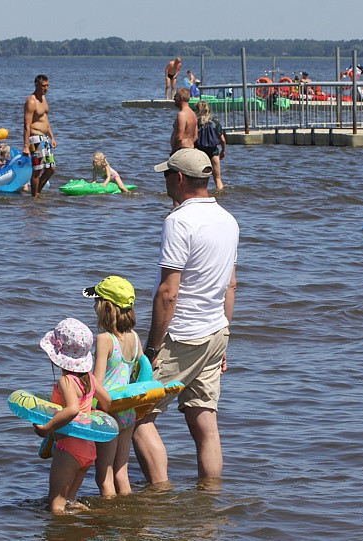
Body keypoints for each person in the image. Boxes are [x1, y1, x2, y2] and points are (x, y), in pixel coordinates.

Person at [133, 148, 239, 486]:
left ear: (178, 178)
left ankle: (159, 496)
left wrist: (151, 349)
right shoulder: (228, 219)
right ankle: (208, 505)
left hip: (180, 337)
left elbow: (169, 292)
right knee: (205, 423)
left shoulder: (178, 221)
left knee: (137, 418)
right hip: (214, 333)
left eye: (166, 174)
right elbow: (231, 285)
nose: (164, 180)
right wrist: (224, 340)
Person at [33, 318, 112, 513]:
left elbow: (72, 409)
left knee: (56, 504)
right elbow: (107, 401)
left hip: (69, 448)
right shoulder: (90, 379)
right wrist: (95, 413)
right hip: (88, 449)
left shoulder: (67, 381)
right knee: (69, 500)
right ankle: (83, 525)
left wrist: (46, 429)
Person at [82, 276, 141, 497]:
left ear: (106, 307)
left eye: (96, 303)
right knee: (121, 474)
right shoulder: (135, 338)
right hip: (127, 412)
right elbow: (139, 375)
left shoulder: (105, 339)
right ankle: (125, 515)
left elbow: (97, 382)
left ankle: (109, 524)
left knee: (103, 476)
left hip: (108, 412)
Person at [23, 75, 56, 197]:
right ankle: (34, 197)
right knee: (37, 170)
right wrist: (26, 146)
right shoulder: (31, 101)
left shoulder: (43, 99)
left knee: (51, 169)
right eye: (43, 86)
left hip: (45, 138)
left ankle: (36, 193)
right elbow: (26, 125)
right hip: (35, 138)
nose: (46, 88)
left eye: (47, 86)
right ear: (36, 85)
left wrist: (52, 137)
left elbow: (45, 120)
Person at [195, 101, 226, 191]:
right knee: (217, 178)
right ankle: (220, 196)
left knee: (198, 180)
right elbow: (223, 140)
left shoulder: (196, 123)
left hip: (199, 153)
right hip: (213, 152)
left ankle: (200, 196)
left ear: (197, 110)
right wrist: (223, 151)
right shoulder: (215, 123)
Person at [170, 87, 197, 155]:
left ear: (181, 98)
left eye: (176, 96)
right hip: (190, 149)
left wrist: (173, 151)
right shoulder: (193, 114)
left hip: (181, 150)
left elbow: (179, 137)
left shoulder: (182, 115)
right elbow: (196, 136)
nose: (174, 99)